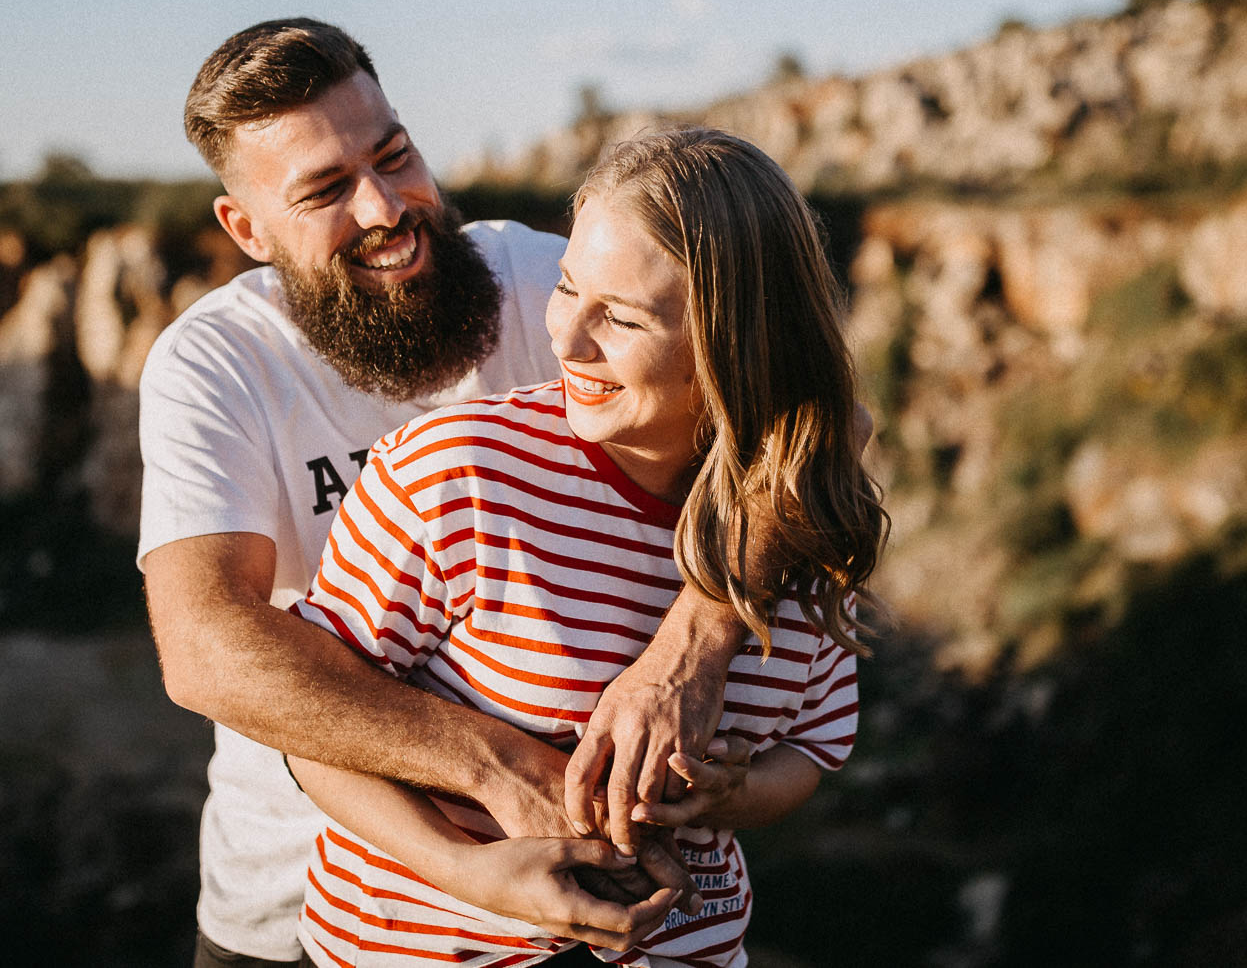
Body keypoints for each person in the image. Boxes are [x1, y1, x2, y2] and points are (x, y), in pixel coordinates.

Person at [139, 20, 750, 967]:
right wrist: (501, 769)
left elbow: (801, 427)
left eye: (393, 154)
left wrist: (690, 648)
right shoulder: (215, 364)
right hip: (295, 903)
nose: (386, 207)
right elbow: (206, 648)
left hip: (590, 881)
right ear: (246, 229)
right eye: (326, 190)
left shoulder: (550, 287)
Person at [287, 128, 888, 967]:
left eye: (625, 318)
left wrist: (731, 791)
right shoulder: (457, 473)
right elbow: (313, 733)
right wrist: (477, 873)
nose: (568, 340)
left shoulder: (805, 519)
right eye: (568, 288)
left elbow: (810, 750)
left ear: (737, 341)